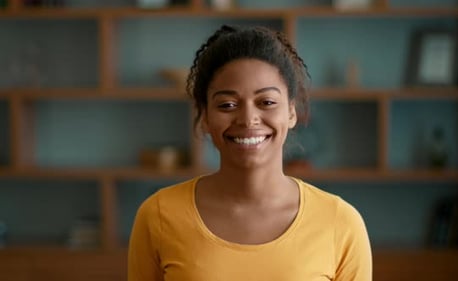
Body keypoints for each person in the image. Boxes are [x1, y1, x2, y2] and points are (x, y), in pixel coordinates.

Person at [128, 24, 372, 281]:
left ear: (291, 112)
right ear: (205, 118)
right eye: (227, 104)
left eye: (266, 102)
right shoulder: (158, 215)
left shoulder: (340, 222)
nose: (247, 119)